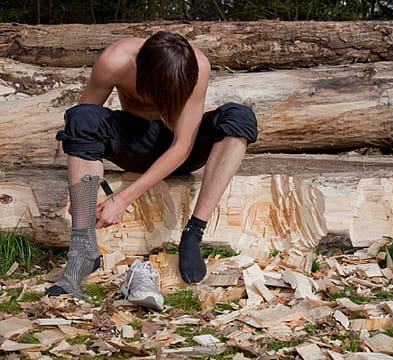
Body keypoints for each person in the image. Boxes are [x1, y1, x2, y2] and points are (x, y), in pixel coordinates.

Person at [46, 31, 257, 310]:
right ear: (143, 72)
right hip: (133, 144)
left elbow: (183, 145)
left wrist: (123, 199)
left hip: (182, 146)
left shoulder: (198, 65)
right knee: (81, 115)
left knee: (239, 117)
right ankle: (83, 250)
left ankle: (194, 232)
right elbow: (81, 129)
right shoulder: (115, 61)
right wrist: (83, 189)